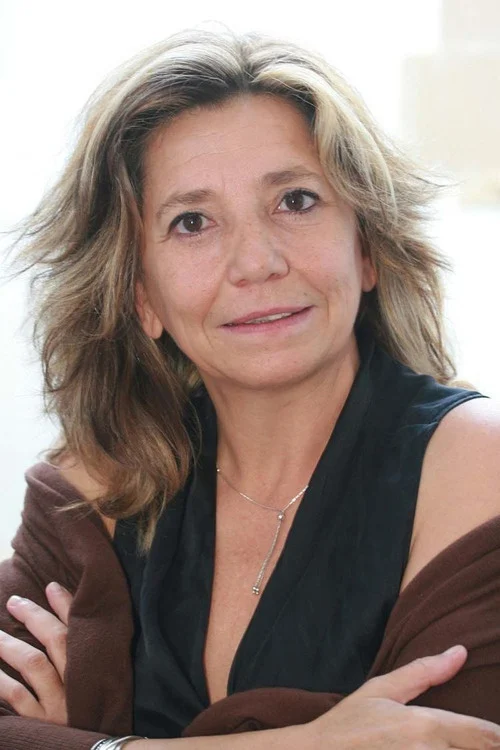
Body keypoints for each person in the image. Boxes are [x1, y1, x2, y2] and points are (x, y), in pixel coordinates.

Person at [1, 26, 500, 750]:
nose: (257, 262)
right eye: (192, 222)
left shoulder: (476, 466)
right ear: (141, 295)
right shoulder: (99, 484)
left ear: (366, 248)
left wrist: (92, 739)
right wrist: (303, 741)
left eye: (295, 201)